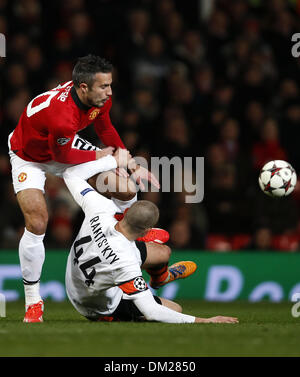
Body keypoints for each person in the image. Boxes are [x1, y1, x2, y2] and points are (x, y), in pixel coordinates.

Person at [7, 54, 159, 322]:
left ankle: (131, 230)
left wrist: (132, 165)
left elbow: (106, 128)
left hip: (63, 146)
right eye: (104, 86)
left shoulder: (99, 99)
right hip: (29, 157)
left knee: (124, 187)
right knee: (37, 221)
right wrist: (107, 157)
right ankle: (33, 302)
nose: (109, 92)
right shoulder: (62, 117)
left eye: (110, 85)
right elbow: (63, 157)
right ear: (83, 87)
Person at [60, 149, 239, 324]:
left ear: (126, 213)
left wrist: (112, 160)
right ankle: (112, 311)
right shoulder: (126, 261)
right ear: (146, 232)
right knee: (175, 309)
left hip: (76, 276)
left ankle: (161, 277)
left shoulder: (99, 207)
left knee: (164, 252)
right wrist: (205, 320)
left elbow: (70, 174)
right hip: (93, 304)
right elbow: (153, 312)